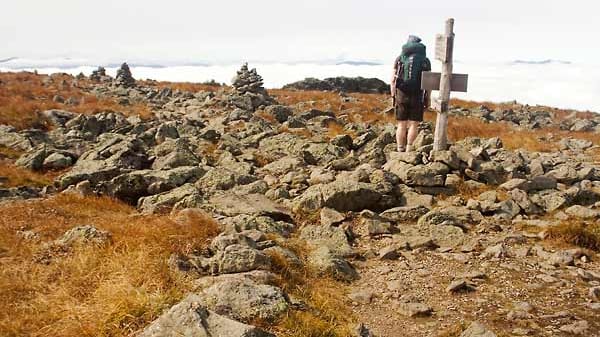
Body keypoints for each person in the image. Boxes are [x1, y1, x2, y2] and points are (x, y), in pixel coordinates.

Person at [391, 35, 431, 152]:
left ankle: (400, 148)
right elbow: (428, 82)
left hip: (401, 94)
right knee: (414, 124)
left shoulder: (399, 59)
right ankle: (409, 148)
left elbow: (393, 80)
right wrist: (428, 98)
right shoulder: (425, 60)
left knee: (401, 124)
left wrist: (393, 95)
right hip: (417, 94)